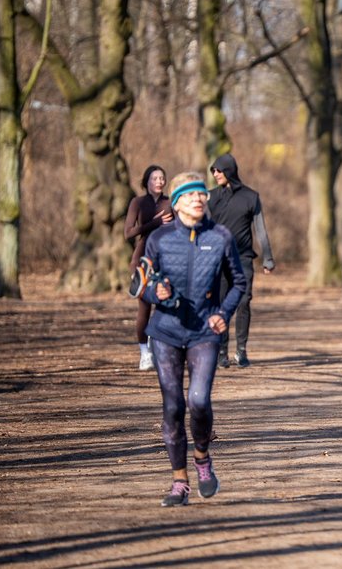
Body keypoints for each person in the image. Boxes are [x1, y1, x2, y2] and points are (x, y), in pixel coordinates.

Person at [142, 171, 246, 506]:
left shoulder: (221, 237)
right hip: (166, 332)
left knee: (198, 400)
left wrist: (223, 314)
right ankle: (179, 482)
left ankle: (202, 459)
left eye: (201, 194)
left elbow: (239, 283)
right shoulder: (158, 239)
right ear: (177, 202)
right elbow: (140, 284)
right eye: (190, 195)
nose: (198, 199)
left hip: (204, 331)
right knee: (173, 406)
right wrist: (155, 293)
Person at [208, 154, 275, 368]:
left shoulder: (251, 197)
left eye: (219, 170)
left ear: (229, 170)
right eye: (214, 171)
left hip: (243, 258)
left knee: (244, 301)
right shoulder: (210, 197)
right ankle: (221, 352)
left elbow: (260, 229)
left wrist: (268, 257)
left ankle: (241, 350)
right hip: (218, 259)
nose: (216, 174)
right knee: (220, 305)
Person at [124, 165, 173, 371]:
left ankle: (160, 347)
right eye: (155, 178)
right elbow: (129, 233)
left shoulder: (170, 202)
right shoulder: (137, 202)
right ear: (147, 182)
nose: (159, 181)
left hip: (167, 258)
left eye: (162, 178)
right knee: (144, 307)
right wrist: (154, 223)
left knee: (165, 307)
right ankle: (145, 352)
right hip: (143, 258)